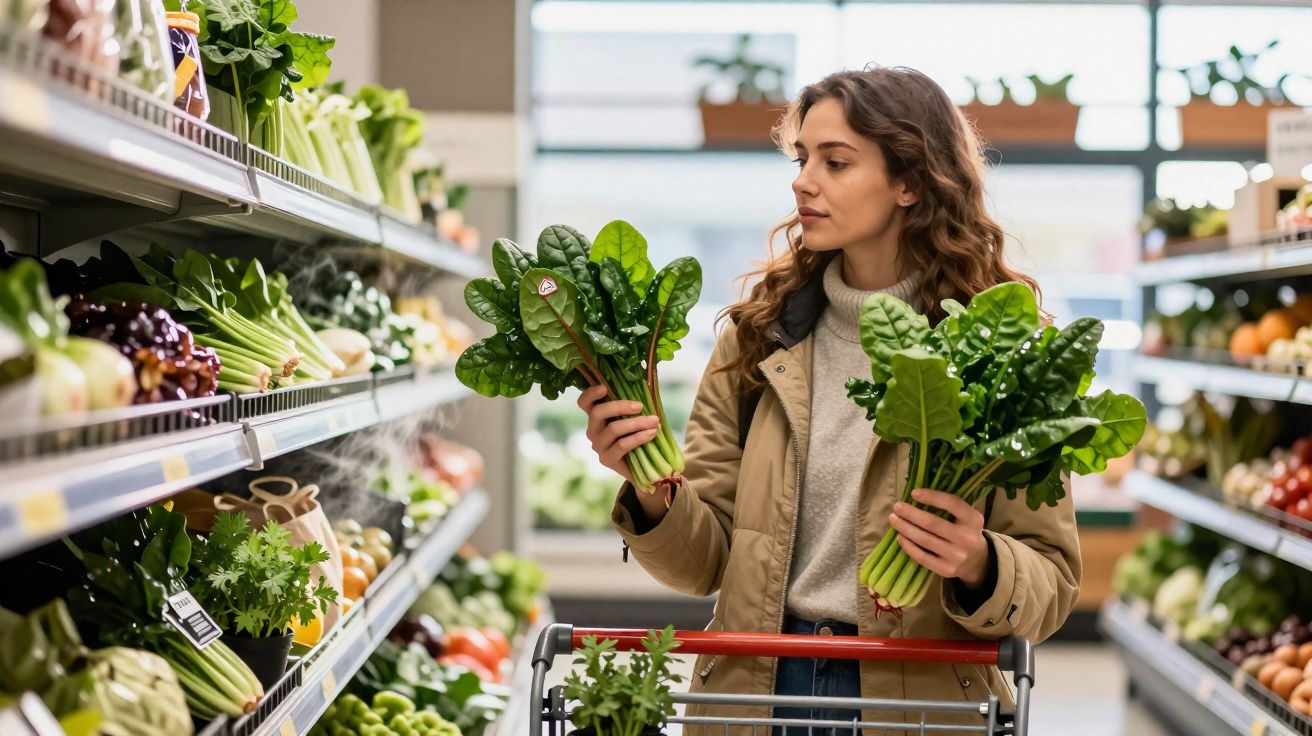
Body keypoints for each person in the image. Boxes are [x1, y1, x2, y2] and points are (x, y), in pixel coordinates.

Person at [576, 66, 1080, 735]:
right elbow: (702, 565)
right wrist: (650, 494)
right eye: (801, 157)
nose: (802, 181)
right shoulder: (758, 338)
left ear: (910, 182)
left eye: (835, 162)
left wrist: (980, 563)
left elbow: (1050, 587)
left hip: (918, 704)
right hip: (757, 686)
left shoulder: (1000, 350)